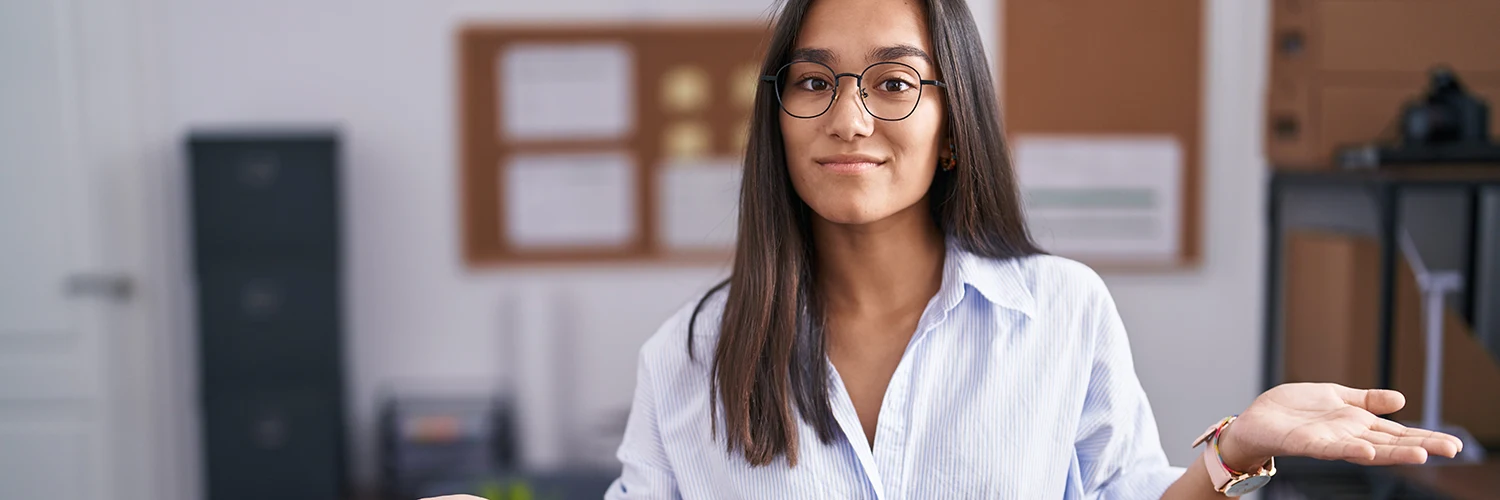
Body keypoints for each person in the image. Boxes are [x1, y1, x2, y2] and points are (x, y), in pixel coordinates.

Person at [430, 0, 1461, 497]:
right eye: (812, 81)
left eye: (892, 82)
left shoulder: (1059, 309)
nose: (848, 118)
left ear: (953, 121)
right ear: (776, 118)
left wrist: (1235, 452)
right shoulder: (692, 353)